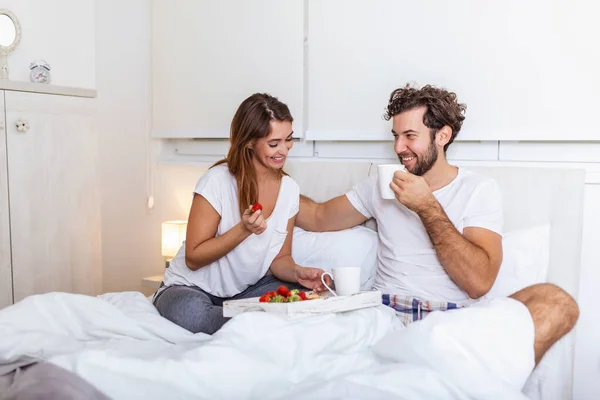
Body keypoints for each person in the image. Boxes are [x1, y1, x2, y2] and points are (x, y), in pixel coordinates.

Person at [296, 83, 579, 365]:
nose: (398, 148)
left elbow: (478, 282)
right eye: (395, 136)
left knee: (557, 302)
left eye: (409, 136)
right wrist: (269, 185)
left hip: (449, 321)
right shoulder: (380, 186)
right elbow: (319, 217)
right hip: (383, 315)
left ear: (442, 135)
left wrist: (427, 207)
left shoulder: (477, 190)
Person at [153, 93, 329, 335]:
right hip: (191, 289)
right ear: (249, 143)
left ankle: (248, 319)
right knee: (191, 312)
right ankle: (252, 321)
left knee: (299, 295)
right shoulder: (216, 181)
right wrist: (243, 230)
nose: (284, 150)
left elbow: (280, 260)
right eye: (273, 143)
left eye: (288, 139)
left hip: (245, 292)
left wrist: (299, 272)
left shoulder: (289, 190)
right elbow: (193, 258)